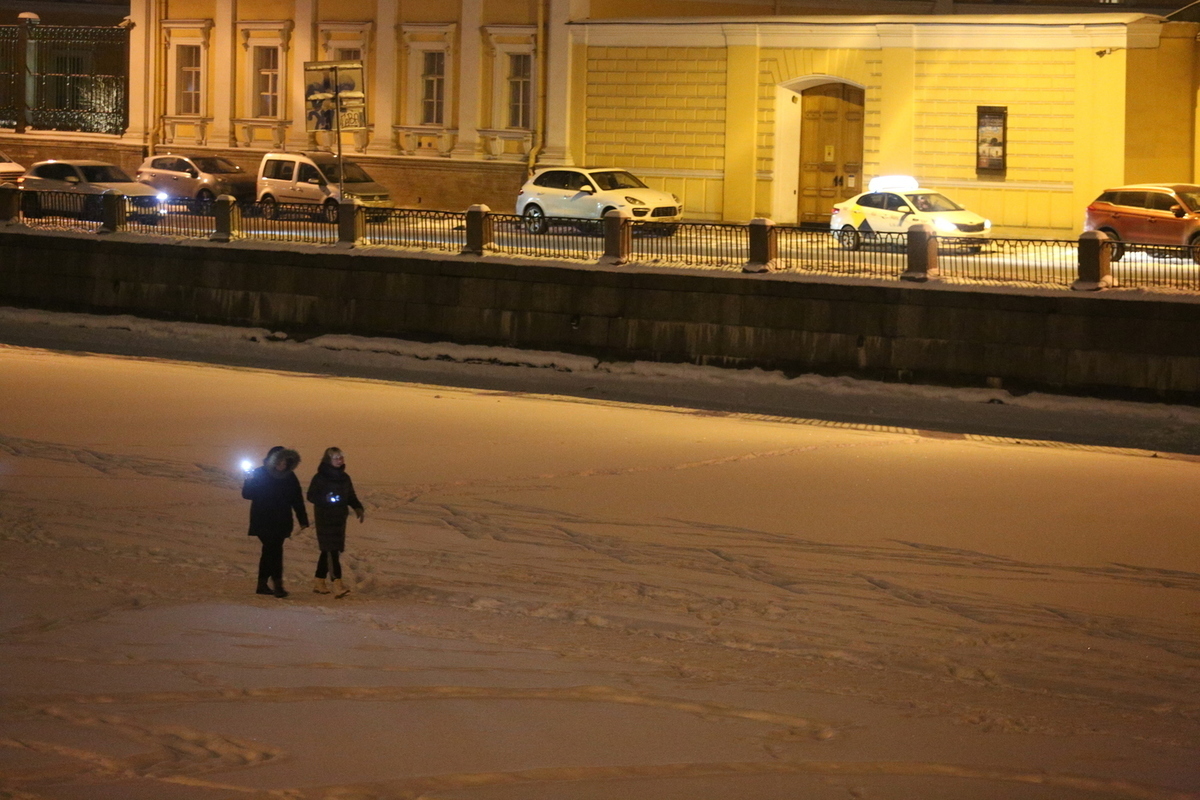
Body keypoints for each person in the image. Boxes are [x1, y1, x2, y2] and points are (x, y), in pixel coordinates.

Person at [242, 446, 308, 598]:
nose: (282, 465)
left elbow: (297, 499)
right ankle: (278, 585)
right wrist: (248, 480)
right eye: (280, 461)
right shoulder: (259, 473)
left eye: (285, 462)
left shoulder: (290, 476)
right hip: (263, 520)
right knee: (275, 551)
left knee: (269, 552)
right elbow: (247, 494)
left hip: (282, 521)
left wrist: (302, 519)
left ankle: (262, 584)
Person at [306, 447, 364, 598]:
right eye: (336, 458)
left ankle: (319, 581)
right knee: (331, 550)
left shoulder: (344, 477)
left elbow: (350, 495)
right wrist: (325, 499)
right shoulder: (320, 477)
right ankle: (337, 582)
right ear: (328, 460)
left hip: (339, 518)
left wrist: (357, 507)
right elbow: (311, 495)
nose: (340, 460)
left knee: (329, 550)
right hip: (325, 518)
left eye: (341, 458)